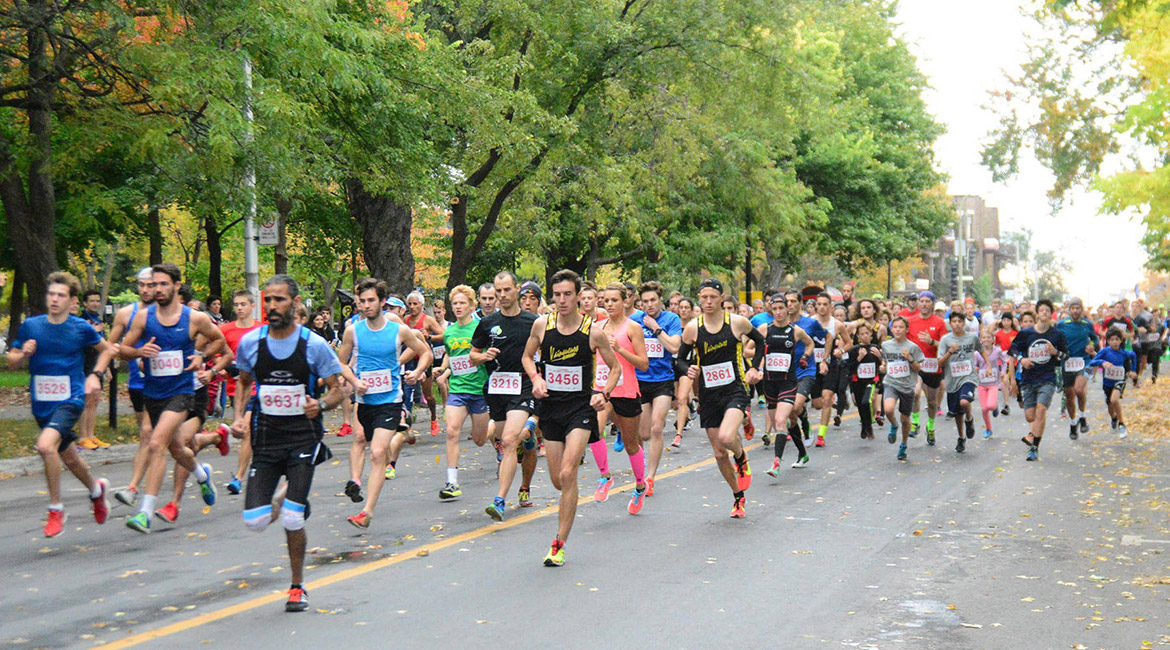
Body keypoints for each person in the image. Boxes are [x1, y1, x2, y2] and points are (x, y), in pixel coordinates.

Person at [229, 275, 344, 612]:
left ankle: (297, 587)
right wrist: (238, 417)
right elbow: (244, 382)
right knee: (255, 521)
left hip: (302, 438)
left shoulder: (314, 346)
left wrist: (320, 405)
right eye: (268, 300)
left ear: (295, 304)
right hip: (266, 438)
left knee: (293, 519)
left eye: (279, 300)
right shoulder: (251, 343)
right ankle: (286, 494)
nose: (272, 307)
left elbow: (338, 390)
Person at [118, 264, 228, 532]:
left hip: (181, 394)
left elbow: (219, 341)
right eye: (153, 284)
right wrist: (139, 352)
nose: (157, 289)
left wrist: (202, 357)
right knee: (176, 449)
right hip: (153, 393)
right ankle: (202, 474)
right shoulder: (144, 318)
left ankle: (144, 512)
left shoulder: (194, 318)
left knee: (156, 444)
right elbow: (122, 349)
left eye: (163, 284)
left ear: (176, 286)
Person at [523, 270, 621, 565]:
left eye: (568, 294)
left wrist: (602, 394)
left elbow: (614, 368)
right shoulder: (542, 325)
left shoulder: (593, 331)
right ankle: (569, 499)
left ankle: (558, 543)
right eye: (557, 295)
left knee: (568, 473)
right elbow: (528, 357)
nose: (562, 300)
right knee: (558, 481)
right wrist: (536, 378)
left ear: (579, 296)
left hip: (580, 410)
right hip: (551, 409)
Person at [9, 272, 116, 537]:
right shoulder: (31, 326)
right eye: (52, 294)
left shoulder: (80, 328)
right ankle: (96, 490)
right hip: (42, 403)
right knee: (68, 456)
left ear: (71, 301)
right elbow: (12, 360)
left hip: (71, 399)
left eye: (61, 295)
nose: (55, 299)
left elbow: (108, 350)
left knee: (46, 446)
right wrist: (24, 353)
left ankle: (56, 508)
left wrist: (95, 375)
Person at [340, 278, 431, 529]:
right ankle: (356, 480)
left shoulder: (398, 331)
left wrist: (416, 372)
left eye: (371, 301)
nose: (366, 306)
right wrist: (353, 380)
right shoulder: (352, 332)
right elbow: (340, 363)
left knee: (378, 452)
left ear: (382, 302)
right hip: (364, 401)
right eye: (362, 301)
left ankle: (366, 512)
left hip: (390, 400)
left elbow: (426, 353)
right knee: (360, 440)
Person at [676, 277, 765, 518]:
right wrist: (688, 370)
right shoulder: (693, 328)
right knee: (717, 453)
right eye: (703, 297)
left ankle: (741, 456)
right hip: (709, 393)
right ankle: (738, 496)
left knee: (727, 437)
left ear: (722, 298)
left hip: (734, 388)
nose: (707, 301)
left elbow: (760, 340)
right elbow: (680, 360)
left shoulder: (736, 322)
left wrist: (754, 368)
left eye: (712, 297)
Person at [472, 272, 539, 521]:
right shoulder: (488, 322)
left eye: (506, 290)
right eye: (498, 291)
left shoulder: (534, 322)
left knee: (509, 441)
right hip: (497, 389)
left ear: (517, 290)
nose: (501, 296)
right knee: (504, 438)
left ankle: (499, 500)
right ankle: (529, 437)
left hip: (523, 386)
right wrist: (482, 357)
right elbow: (473, 355)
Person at [434, 285, 491, 500]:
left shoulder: (481, 327)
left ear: (471, 305)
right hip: (458, 389)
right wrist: (443, 369)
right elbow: (452, 355)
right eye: (455, 303)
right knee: (451, 431)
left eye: (462, 303)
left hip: (478, 389)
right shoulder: (448, 332)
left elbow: (484, 356)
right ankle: (451, 482)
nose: (458, 307)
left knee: (479, 439)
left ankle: (496, 437)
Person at [631, 281, 682, 496]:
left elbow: (674, 346)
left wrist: (655, 327)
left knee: (657, 428)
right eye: (645, 301)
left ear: (661, 300)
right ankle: (641, 473)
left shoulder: (671, 319)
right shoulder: (633, 321)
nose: (649, 304)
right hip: (640, 380)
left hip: (662, 380)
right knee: (643, 434)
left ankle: (650, 476)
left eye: (653, 300)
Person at [758, 294, 814, 477]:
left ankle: (776, 464)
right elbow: (748, 348)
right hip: (769, 382)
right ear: (771, 311)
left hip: (788, 382)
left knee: (781, 421)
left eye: (781, 308)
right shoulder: (764, 329)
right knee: (784, 423)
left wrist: (805, 357)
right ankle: (803, 453)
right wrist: (758, 360)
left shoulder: (795, 330)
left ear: (787, 309)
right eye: (775, 309)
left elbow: (810, 344)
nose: (779, 312)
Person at [1009, 299, 1068, 462]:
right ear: (1037, 313)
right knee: (1030, 416)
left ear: (1050, 314)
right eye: (1041, 310)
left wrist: (1055, 351)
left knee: (1041, 410)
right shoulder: (1027, 333)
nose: (1044, 313)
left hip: (1047, 378)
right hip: (1029, 379)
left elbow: (1066, 355)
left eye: (1047, 311)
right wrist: (1022, 359)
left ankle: (1034, 447)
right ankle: (1033, 434)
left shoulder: (1056, 335)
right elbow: (1012, 350)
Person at [220, 290, 263, 494]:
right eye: (236, 304)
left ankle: (238, 477)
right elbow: (217, 353)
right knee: (247, 433)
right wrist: (222, 367)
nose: (239, 308)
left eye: (243, 304)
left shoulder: (262, 329)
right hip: (235, 388)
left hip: (257, 388)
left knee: (246, 429)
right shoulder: (226, 330)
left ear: (252, 306)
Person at [901, 291, 946, 444]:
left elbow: (945, 346)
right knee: (914, 392)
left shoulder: (940, 322)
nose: (924, 304)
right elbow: (902, 341)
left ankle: (931, 427)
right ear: (918, 303)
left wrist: (932, 342)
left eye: (928, 301)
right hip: (916, 365)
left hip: (932, 366)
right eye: (922, 301)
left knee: (932, 401)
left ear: (932, 304)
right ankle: (915, 423)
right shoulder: (910, 321)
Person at [880, 316, 925, 461]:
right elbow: (885, 364)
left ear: (906, 330)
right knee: (888, 409)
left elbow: (918, 368)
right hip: (891, 383)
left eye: (901, 327)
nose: (898, 330)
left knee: (905, 419)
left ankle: (903, 445)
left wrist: (910, 358)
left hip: (906, 386)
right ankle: (893, 425)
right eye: (895, 327)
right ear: (891, 329)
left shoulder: (912, 347)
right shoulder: (886, 345)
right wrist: (882, 367)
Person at [937, 312, 982, 452]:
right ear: (950, 324)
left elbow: (981, 350)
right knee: (957, 413)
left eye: (959, 321)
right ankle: (961, 437)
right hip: (952, 379)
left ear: (964, 323)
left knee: (964, 401)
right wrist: (950, 352)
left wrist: (987, 365)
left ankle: (969, 420)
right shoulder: (945, 340)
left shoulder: (972, 337)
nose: (957, 324)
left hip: (968, 376)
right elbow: (939, 362)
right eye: (954, 321)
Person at [1055, 297, 1098, 439]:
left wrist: (1092, 346)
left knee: (1079, 389)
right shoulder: (1062, 324)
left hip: (1085, 362)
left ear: (1081, 309)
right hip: (1067, 362)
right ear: (1069, 310)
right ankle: (1073, 423)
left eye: (1077, 308)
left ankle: (1083, 416)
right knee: (1069, 395)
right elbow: (1055, 340)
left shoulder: (1088, 324)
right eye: (1072, 308)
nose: (1075, 311)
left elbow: (1095, 339)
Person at [403, 291, 445, 437]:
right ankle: (407, 426)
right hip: (408, 360)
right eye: (410, 304)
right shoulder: (405, 320)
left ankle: (433, 417)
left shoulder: (428, 320)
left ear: (421, 305)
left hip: (424, 359)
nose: (412, 307)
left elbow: (443, 335)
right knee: (407, 393)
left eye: (415, 304)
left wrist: (429, 336)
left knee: (428, 396)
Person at [75, 289, 109, 450]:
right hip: (85, 364)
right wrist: (91, 333)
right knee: (86, 401)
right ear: (85, 303)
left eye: (97, 301)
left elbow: (104, 346)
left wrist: (107, 367)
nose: (95, 303)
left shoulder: (98, 320)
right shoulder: (81, 320)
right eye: (92, 301)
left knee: (95, 400)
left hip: (97, 365)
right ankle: (82, 436)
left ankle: (91, 434)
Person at [1089, 328, 1138, 438]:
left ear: (1121, 340)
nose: (1114, 342)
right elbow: (1092, 362)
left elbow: (1133, 356)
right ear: (1108, 341)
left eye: (1117, 339)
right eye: (1112, 339)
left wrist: (1134, 371)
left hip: (1120, 380)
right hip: (1108, 382)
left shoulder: (1124, 353)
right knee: (1110, 405)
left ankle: (1122, 425)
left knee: (1114, 399)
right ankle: (1114, 418)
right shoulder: (1104, 351)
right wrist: (1103, 362)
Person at [846, 323, 882, 441]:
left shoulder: (874, 348)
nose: (865, 336)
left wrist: (879, 356)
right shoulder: (855, 350)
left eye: (867, 333)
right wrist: (859, 358)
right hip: (857, 381)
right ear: (858, 335)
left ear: (871, 334)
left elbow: (882, 365)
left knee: (867, 402)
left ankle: (869, 426)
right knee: (861, 405)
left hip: (871, 381)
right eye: (862, 334)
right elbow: (849, 367)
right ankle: (864, 425)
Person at [975, 329, 1008, 439]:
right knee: (984, 409)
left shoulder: (997, 351)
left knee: (991, 405)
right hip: (982, 383)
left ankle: (995, 407)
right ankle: (988, 429)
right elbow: (975, 365)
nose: (986, 339)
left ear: (993, 339)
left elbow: (1004, 363)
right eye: (984, 337)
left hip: (993, 383)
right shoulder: (976, 353)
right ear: (981, 340)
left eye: (989, 337)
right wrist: (975, 369)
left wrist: (1003, 372)